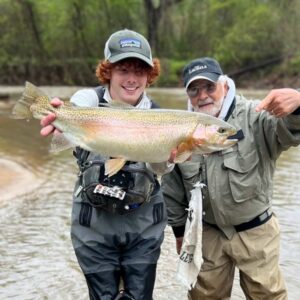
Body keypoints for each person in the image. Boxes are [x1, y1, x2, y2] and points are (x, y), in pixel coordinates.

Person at [40, 29, 174, 300]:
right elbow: (77, 103)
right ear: (108, 71)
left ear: (149, 76)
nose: (132, 78)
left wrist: (169, 156)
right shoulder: (89, 101)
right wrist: (60, 115)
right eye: (123, 69)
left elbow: (161, 170)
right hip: (94, 227)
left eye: (140, 70)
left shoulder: (162, 117)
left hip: (144, 226)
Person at [162, 57, 300, 299]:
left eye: (209, 87)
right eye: (194, 89)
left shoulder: (256, 115)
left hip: (257, 232)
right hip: (207, 235)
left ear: (225, 86)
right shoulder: (181, 128)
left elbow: (291, 132)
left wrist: (298, 103)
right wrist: (179, 232)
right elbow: (172, 188)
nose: (202, 95)